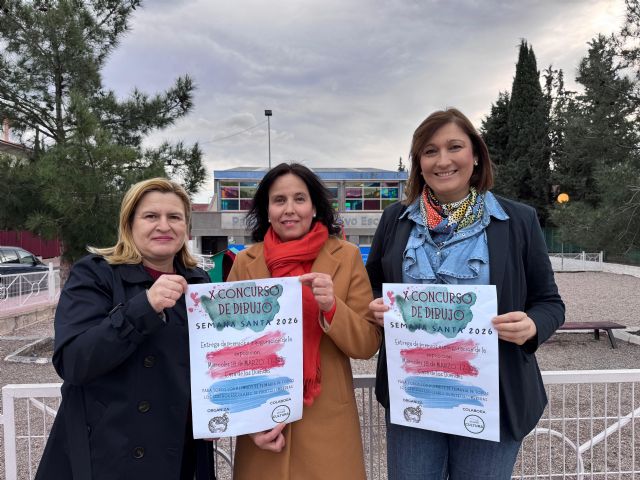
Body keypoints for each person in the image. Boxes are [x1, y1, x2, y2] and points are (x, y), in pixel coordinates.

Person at [366, 108, 565, 480]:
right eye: (430, 151)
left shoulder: (518, 220)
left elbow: (550, 303)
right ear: (419, 163)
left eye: (454, 147)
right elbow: (372, 285)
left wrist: (532, 326)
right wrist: (375, 306)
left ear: (475, 156)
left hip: (492, 398)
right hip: (414, 394)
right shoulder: (395, 220)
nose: (442, 160)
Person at [35, 178, 216, 480]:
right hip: (109, 454)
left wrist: (217, 411)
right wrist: (144, 307)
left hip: (179, 452)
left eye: (174, 217)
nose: (164, 226)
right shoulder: (95, 274)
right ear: (129, 224)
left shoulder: (198, 283)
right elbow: (74, 361)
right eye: (151, 216)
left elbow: (211, 363)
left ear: (187, 228)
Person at [227, 162, 381, 480]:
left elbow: (366, 345)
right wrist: (248, 421)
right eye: (279, 200)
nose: (289, 209)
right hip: (263, 426)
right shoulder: (245, 262)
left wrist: (332, 308)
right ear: (267, 210)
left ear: (314, 207)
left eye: (299, 199)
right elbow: (230, 351)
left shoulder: (347, 256)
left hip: (328, 425)